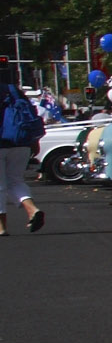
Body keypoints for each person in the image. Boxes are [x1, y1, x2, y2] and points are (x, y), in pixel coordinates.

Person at [0, 73, 44, 232]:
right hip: (21, 142)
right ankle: (32, 209)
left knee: (0, 186)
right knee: (16, 180)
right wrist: (35, 141)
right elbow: (31, 116)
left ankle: (1, 227)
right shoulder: (15, 91)